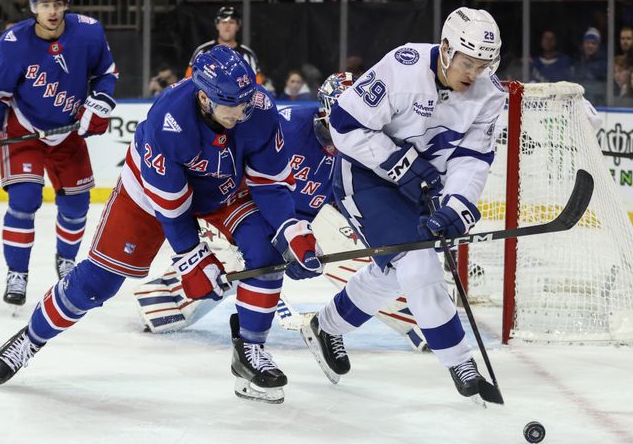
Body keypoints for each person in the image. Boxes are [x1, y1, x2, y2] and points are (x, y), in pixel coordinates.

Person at [0, 45, 323, 406]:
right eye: (231, 103)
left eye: (246, 99)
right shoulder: (170, 120)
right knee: (97, 283)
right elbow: (172, 207)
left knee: (265, 250)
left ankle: (250, 353)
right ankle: (32, 338)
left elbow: (270, 183)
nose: (242, 111)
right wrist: (192, 259)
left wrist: (292, 229)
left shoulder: (256, 108)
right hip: (148, 195)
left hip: (223, 189)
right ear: (205, 98)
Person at [134, 72, 431, 351]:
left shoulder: (365, 146)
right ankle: (165, 299)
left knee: (358, 251)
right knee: (238, 262)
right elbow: (248, 179)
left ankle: (420, 319)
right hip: (245, 210)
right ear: (328, 111)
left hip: (300, 222)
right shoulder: (287, 125)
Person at [299, 7, 506, 398]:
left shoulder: (489, 93)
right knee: (416, 261)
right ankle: (461, 362)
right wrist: (402, 165)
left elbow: (473, 158)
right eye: (468, 62)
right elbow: (344, 125)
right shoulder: (403, 65)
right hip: (365, 177)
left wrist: (458, 203)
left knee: (397, 270)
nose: (474, 73)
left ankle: (327, 327)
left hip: (424, 184)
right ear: (446, 48)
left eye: (483, 64)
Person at [0, 0, 118, 309]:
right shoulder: (14, 42)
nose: (52, 11)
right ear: (33, 6)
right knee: (24, 200)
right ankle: (17, 273)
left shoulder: (88, 32)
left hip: (67, 131)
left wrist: (100, 103)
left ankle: (66, 260)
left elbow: (106, 73)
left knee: (76, 205)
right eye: (45, 4)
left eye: (58, 3)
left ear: (66, 4)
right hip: (23, 129)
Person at [184, 6, 264, 85]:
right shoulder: (202, 51)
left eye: (231, 22)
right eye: (224, 22)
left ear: (238, 26)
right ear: (217, 25)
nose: (227, 26)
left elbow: (257, 84)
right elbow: (188, 79)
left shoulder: (248, 55)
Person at [573, 27, 606, 106]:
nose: (590, 45)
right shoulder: (577, 63)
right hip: (578, 106)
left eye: (593, 43)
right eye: (587, 42)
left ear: (598, 45)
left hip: (597, 106)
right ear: (583, 44)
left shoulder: (604, 65)